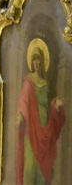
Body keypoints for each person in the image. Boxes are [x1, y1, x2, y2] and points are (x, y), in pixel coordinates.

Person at [16, 38, 66, 185]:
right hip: (32, 130)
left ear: (43, 62)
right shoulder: (28, 82)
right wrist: (20, 116)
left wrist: (56, 106)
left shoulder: (46, 86)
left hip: (46, 131)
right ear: (31, 62)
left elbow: (51, 106)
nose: (37, 63)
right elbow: (23, 102)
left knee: (43, 172)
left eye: (39, 59)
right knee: (31, 167)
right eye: (34, 59)